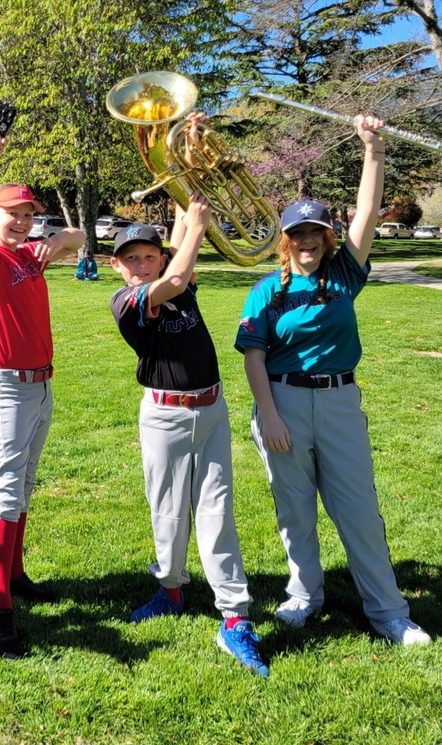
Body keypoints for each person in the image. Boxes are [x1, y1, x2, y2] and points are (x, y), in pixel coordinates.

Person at [235, 115, 431, 646]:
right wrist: (269, 414)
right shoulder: (267, 290)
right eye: (296, 233)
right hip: (283, 404)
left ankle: (389, 611)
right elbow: (253, 356)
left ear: (327, 236)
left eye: (315, 232)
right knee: (294, 507)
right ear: (285, 239)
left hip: (341, 401)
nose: (307, 241)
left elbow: (366, 213)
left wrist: (374, 150)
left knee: (358, 509)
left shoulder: (343, 273)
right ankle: (305, 594)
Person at [109, 168, 268, 677]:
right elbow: (176, 275)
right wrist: (198, 222)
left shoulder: (175, 276)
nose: (142, 264)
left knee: (217, 508)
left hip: (212, 409)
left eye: (149, 255)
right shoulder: (128, 300)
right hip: (165, 415)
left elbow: (179, 260)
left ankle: (234, 617)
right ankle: (170, 587)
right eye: (131, 259)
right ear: (118, 268)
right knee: (168, 508)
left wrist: (185, 181)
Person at [0, 132, 85, 659]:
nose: (20, 220)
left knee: (25, 483)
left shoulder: (30, 256)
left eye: (27, 213)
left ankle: (15, 576)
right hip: (6, 389)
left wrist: (56, 240)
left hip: (41, 385)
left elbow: (80, 237)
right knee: (6, 489)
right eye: (11, 212)